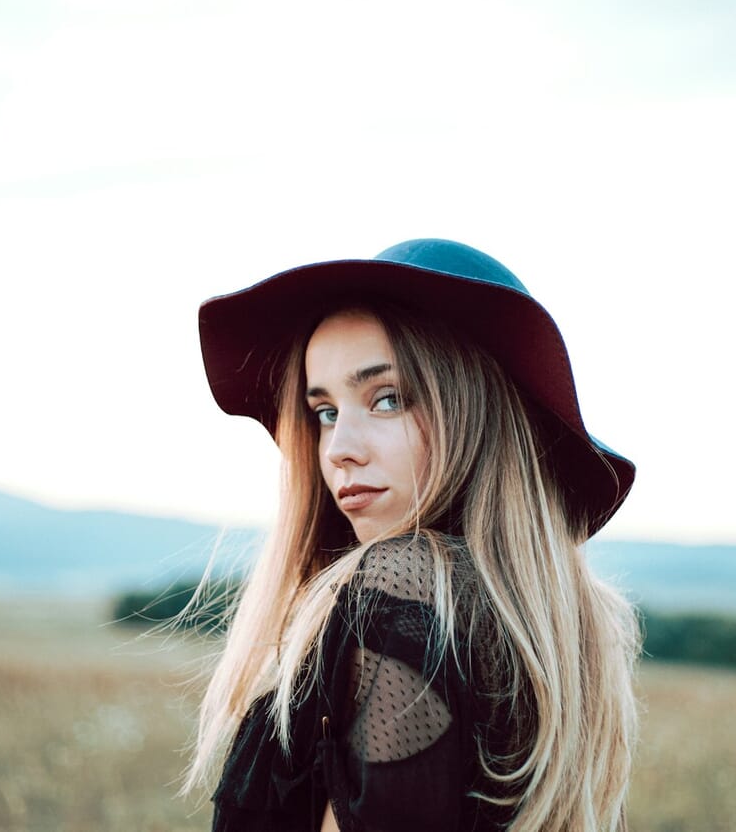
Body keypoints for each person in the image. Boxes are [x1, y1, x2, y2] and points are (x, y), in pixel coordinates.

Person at [187, 239, 640, 831]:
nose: (340, 450)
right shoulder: (560, 631)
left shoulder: (398, 592)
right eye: (325, 412)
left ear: (476, 413)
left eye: (388, 399)